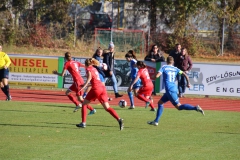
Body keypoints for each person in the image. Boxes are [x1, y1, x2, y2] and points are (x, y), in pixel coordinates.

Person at [147, 56, 204, 126]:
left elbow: (157, 76)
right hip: (173, 89)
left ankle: (195, 108)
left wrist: (152, 77)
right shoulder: (175, 68)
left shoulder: (164, 67)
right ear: (173, 62)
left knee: (179, 107)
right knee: (160, 103)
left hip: (170, 90)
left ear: (166, 62)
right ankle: (156, 121)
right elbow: (184, 74)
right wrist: (188, 83)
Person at [76, 58, 124, 130]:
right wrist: (84, 85)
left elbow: (89, 79)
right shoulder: (94, 69)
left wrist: (83, 87)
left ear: (86, 65)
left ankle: (83, 123)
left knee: (84, 104)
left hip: (96, 89)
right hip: (102, 88)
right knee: (107, 108)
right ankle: (119, 119)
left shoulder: (88, 69)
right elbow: (94, 81)